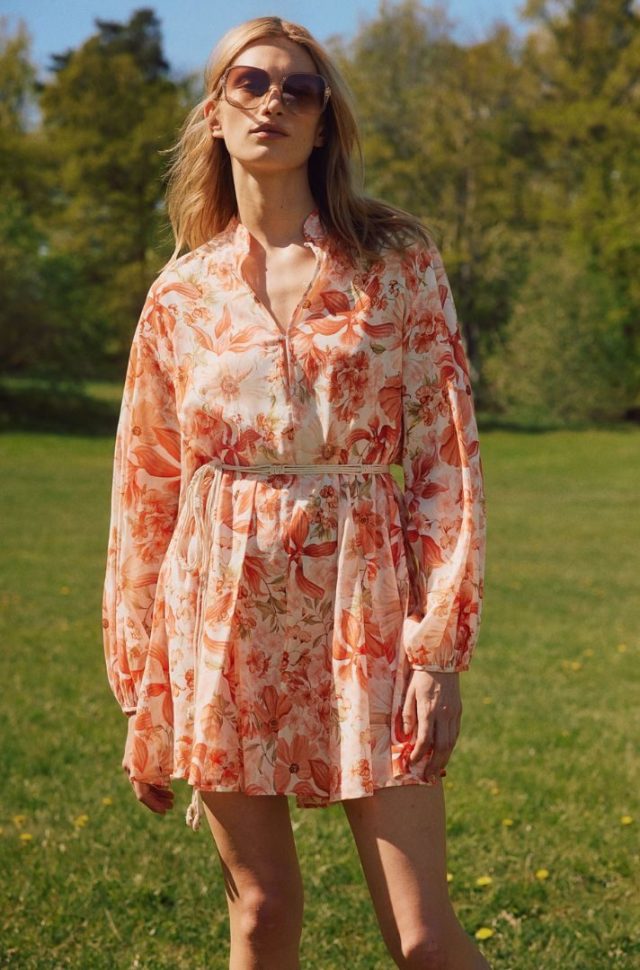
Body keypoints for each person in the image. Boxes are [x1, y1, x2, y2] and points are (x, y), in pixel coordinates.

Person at [101, 14, 489, 970]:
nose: (275, 101)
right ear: (216, 112)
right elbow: (145, 487)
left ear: (324, 124)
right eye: (251, 83)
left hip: (367, 609)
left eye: (300, 89)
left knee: (423, 939)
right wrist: (139, 677)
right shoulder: (180, 295)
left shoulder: (395, 262)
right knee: (261, 913)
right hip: (219, 614)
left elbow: (445, 455)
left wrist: (438, 650)